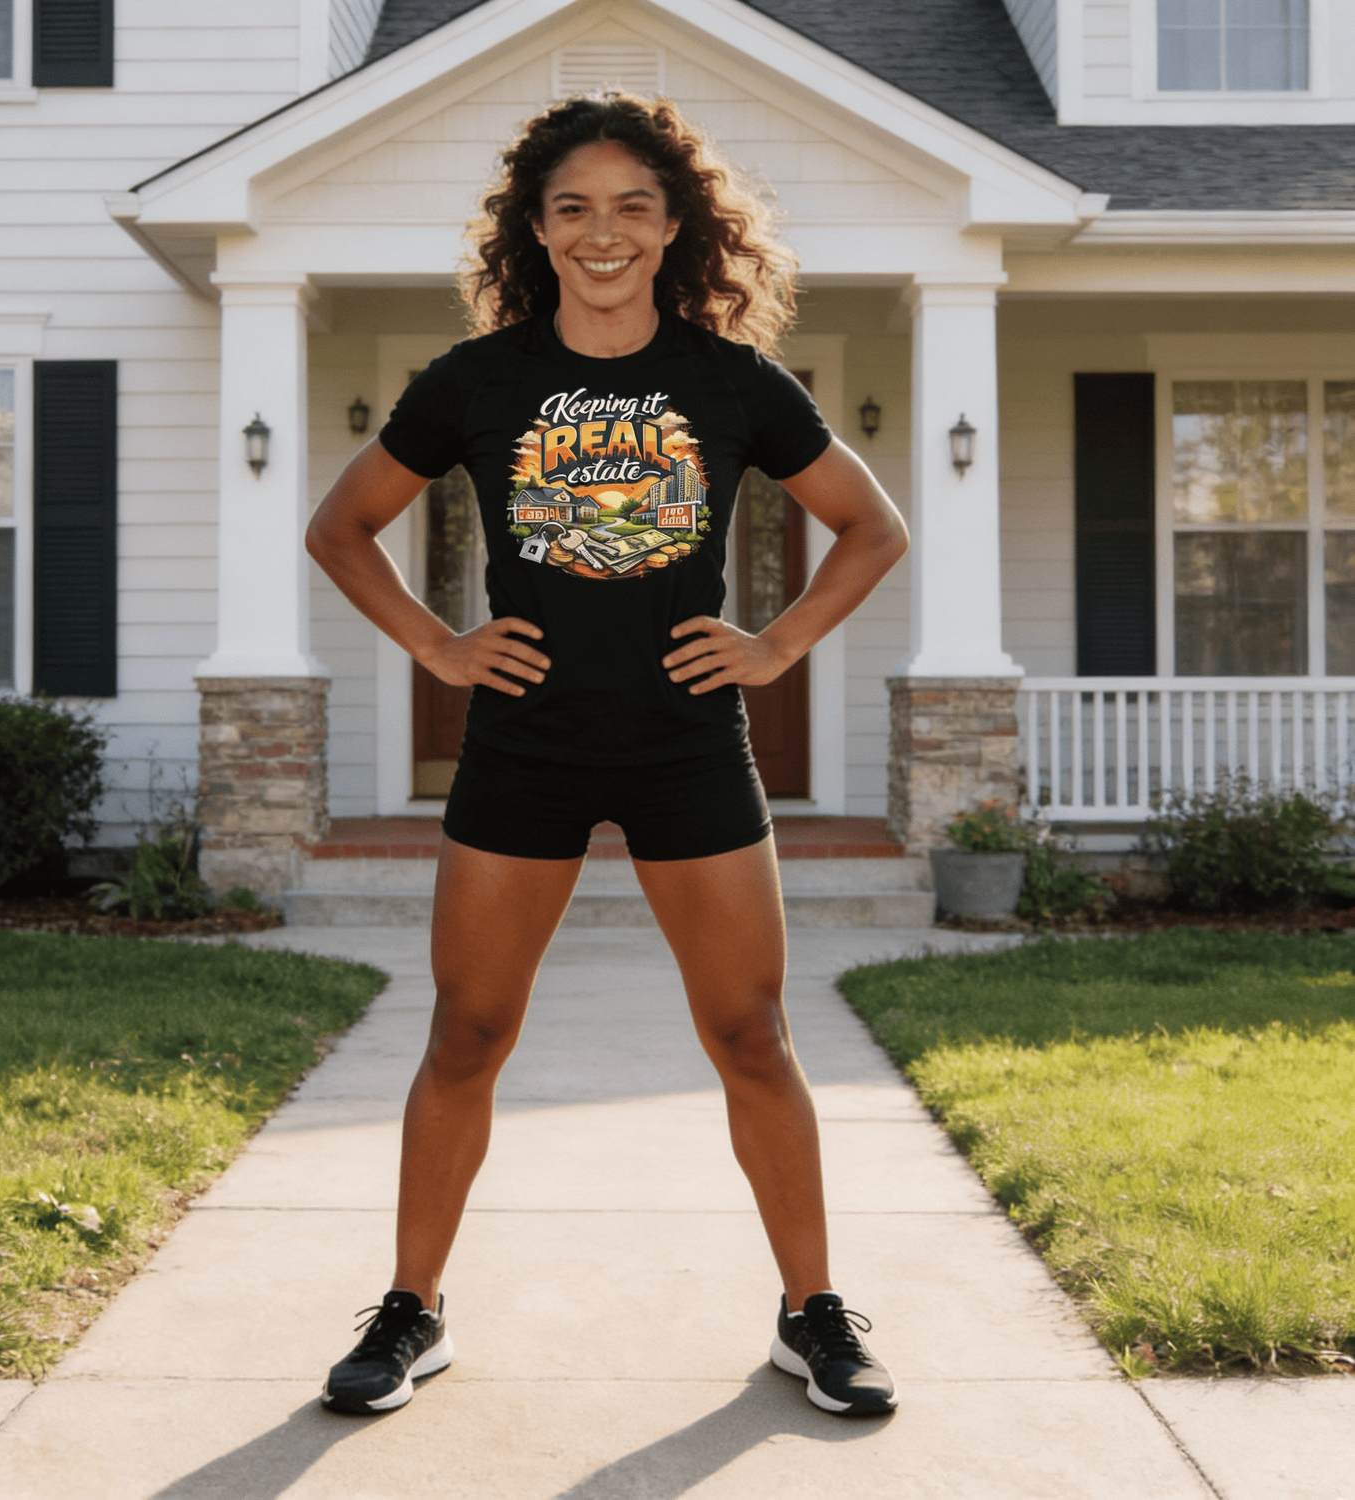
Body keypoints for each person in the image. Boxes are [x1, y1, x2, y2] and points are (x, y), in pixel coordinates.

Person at [305, 93, 909, 1419]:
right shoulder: (476, 380)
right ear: (535, 226)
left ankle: (814, 1315)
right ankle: (412, 1310)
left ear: (679, 224)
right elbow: (343, 526)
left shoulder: (732, 382)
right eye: (573, 206)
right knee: (468, 1030)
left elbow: (871, 527)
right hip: (522, 748)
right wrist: (440, 648)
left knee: (751, 1030)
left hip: (690, 746)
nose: (604, 233)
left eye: (635, 205)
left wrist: (776, 645)